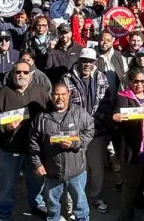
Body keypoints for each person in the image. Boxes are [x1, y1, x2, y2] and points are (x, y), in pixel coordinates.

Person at [0, 61, 50, 219]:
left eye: (25, 72)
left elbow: (50, 117)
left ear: (31, 74)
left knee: (36, 183)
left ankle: (37, 206)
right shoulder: (2, 94)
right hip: (10, 150)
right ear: (12, 74)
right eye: (18, 72)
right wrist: (5, 127)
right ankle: (3, 214)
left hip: (34, 150)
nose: (21, 75)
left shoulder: (40, 92)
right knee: (7, 186)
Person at [29, 84, 95, 221]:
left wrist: (75, 143)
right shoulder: (42, 117)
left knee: (80, 205)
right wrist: (37, 163)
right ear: (51, 96)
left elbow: (90, 131)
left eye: (63, 94)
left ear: (69, 95)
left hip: (76, 170)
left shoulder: (79, 113)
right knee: (52, 206)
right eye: (56, 94)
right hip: (52, 171)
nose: (60, 98)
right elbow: (33, 142)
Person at [60, 48, 113, 213]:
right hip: (75, 131)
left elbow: (106, 102)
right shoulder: (67, 79)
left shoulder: (101, 77)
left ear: (95, 62)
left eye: (90, 61)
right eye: (84, 61)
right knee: (75, 168)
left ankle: (97, 196)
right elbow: (64, 105)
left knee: (97, 168)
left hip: (97, 130)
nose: (87, 64)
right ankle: (74, 202)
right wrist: (80, 124)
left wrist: (93, 122)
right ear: (79, 61)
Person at [112, 68, 144, 221]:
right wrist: (117, 117)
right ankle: (125, 216)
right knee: (130, 184)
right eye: (136, 81)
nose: (139, 84)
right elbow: (114, 117)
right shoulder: (123, 97)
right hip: (132, 148)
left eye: (142, 81)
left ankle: (139, 202)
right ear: (130, 82)